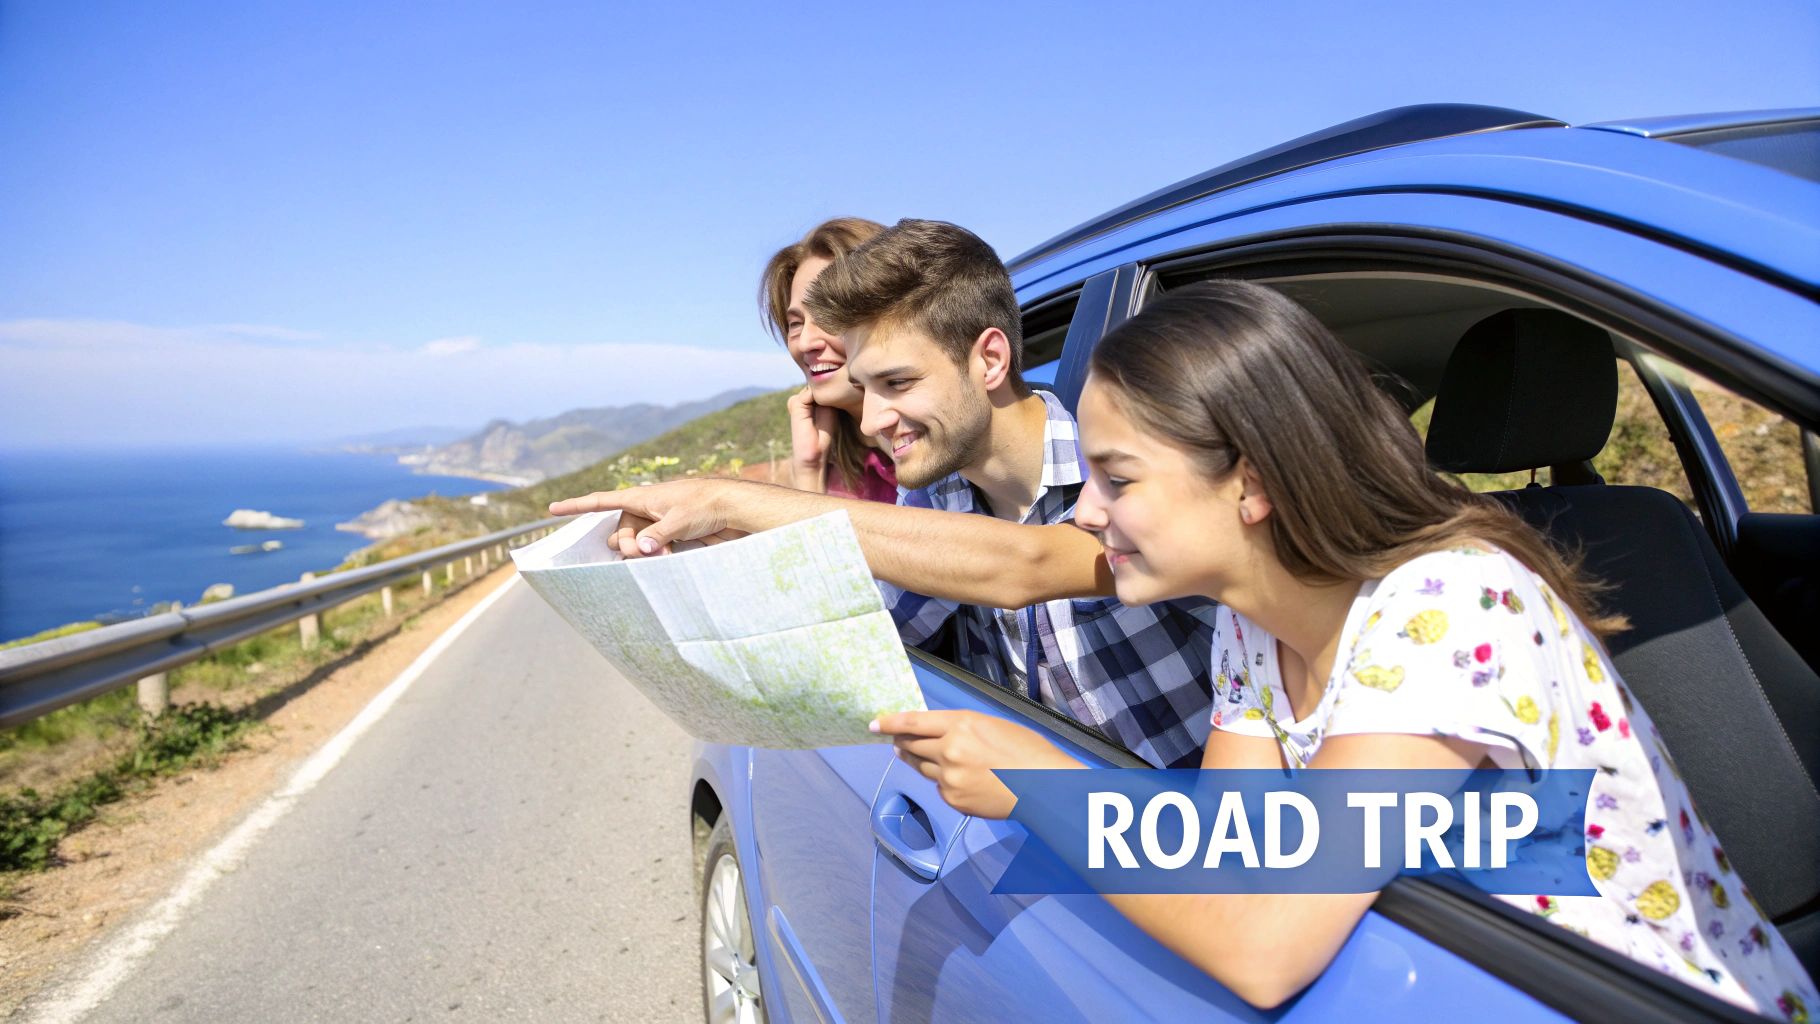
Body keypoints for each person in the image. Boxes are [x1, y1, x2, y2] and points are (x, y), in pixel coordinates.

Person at [867, 280, 1818, 1015]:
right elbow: (1233, 856)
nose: (1086, 510)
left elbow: (1264, 948)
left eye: (1118, 478)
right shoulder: (1252, 622)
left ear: (1252, 483)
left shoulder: (1446, 608)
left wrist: (1037, 777)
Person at [551, 219, 1217, 769]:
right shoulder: (937, 501)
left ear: (989, 360)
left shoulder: (1130, 473)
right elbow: (845, 624)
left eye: (896, 383)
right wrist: (701, 548)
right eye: (865, 390)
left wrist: (728, 498)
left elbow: (1025, 564)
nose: (871, 421)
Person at [760, 217, 899, 502]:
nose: (806, 342)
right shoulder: (839, 472)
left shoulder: (955, 452)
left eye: (827, 315)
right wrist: (810, 470)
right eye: (795, 323)